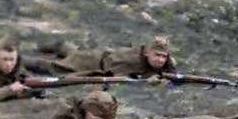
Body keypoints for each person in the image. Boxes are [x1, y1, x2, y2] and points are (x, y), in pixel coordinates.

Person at [34, 36, 177, 79]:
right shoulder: (132, 61)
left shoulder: (165, 61)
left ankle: (62, 45)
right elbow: (110, 71)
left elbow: (173, 74)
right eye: (157, 55)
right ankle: (22, 60)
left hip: (101, 56)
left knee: (72, 53)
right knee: (54, 67)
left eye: (163, 57)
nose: (160, 60)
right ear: (147, 53)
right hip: (94, 63)